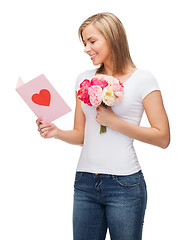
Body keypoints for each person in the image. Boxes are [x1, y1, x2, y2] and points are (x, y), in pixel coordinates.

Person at [36, 12, 170, 240]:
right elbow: (81, 135)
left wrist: (115, 123)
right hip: (85, 182)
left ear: (112, 37)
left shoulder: (144, 80)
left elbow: (162, 138)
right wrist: (56, 132)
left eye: (92, 41)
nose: (86, 48)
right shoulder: (83, 79)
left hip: (125, 185)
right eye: (84, 43)